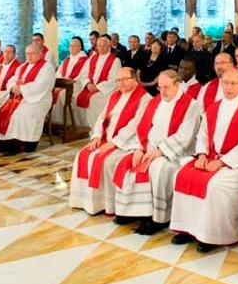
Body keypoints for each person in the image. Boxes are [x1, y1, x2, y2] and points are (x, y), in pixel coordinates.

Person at [170, 68, 238, 253]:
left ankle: (212, 235)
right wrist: (202, 155)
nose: (229, 87)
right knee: (181, 175)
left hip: (237, 165)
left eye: (233, 83)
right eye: (225, 83)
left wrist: (222, 162)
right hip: (211, 157)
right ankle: (188, 229)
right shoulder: (214, 107)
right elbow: (203, 134)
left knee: (215, 185)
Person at [111, 70, 200, 233]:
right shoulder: (155, 102)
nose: (163, 92)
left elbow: (185, 136)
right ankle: (132, 212)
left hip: (175, 153)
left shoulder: (191, 105)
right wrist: (140, 148)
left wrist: (160, 151)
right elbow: (143, 127)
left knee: (157, 169)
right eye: (160, 88)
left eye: (166, 87)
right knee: (127, 163)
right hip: (150, 148)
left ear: (177, 84)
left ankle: (157, 217)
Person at [70, 68, 150, 215]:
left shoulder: (144, 98)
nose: (121, 83)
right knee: (83, 155)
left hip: (127, 141)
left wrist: (114, 143)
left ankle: (105, 203)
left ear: (135, 79)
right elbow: (102, 117)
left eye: (125, 79)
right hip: (107, 137)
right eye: (118, 80)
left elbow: (135, 124)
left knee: (104, 161)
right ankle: (84, 200)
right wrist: (97, 136)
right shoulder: (115, 96)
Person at [0, 44, 56, 154]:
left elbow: (42, 85)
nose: (29, 56)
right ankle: (3, 143)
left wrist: (21, 89)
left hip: (38, 99)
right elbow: (12, 80)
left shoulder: (47, 67)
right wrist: (13, 87)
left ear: (40, 53)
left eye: (33, 54)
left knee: (20, 114)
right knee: (1, 110)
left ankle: (24, 144)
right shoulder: (22, 67)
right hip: (21, 98)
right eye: (27, 54)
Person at [74, 34, 121, 128]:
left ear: (109, 46)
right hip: (90, 86)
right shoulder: (92, 58)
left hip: (105, 89)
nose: (102, 48)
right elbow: (84, 74)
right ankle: (81, 125)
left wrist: (97, 87)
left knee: (94, 100)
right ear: (97, 47)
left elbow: (114, 80)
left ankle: (95, 127)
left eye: (104, 46)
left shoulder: (115, 60)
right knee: (75, 96)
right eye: (99, 46)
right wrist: (87, 84)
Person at [51, 36, 88, 125]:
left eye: (74, 46)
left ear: (80, 47)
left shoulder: (85, 60)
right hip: (63, 84)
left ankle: (65, 123)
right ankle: (52, 122)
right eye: (70, 46)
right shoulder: (67, 59)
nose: (72, 48)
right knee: (51, 92)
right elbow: (59, 72)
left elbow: (82, 76)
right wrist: (61, 80)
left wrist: (68, 81)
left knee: (61, 95)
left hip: (75, 85)